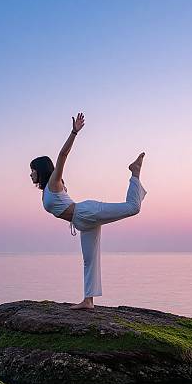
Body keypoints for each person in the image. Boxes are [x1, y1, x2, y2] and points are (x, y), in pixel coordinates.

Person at [30, 112, 147, 310]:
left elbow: (62, 156)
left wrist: (74, 132)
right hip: (81, 222)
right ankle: (88, 301)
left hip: (86, 212)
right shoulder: (47, 190)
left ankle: (135, 172)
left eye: (32, 170)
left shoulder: (54, 182)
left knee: (133, 208)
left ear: (41, 170)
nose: (30, 173)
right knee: (89, 260)